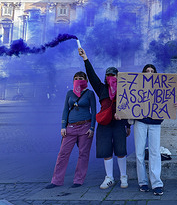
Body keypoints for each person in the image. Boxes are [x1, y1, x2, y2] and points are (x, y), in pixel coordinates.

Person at [78, 48, 131, 189]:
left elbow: (131, 107)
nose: (111, 77)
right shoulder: (101, 89)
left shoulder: (125, 90)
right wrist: (85, 58)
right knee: (105, 151)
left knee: (121, 151)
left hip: (119, 123)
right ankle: (109, 177)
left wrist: (128, 125)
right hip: (104, 123)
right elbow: (92, 75)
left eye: (113, 74)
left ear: (118, 76)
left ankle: (123, 177)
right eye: (108, 75)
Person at [45, 71, 96, 189]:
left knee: (83, 154)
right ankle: (56, 180)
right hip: (70, 127)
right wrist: (63, 127)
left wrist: (92, 127)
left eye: (81, 78)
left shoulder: (89, 94)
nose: (78, 79)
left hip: (85, 126)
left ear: (86, 81)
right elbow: (65, 110)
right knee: (63, 154)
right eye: (76, 78)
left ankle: (78, 180)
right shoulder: (69, 93)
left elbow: (93, 112)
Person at [133, 64, 164, 195]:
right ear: (143, 73)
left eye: (152, 71)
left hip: (155, 123)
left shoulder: (161, 88)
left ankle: (156, 183)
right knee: (139, 153)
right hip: (140, 121)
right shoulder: (136, 87)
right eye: (147, 71)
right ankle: (143, 182)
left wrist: (172, 105)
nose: (149, 73)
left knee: (155, 153)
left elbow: (167, 101)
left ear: (155, 73)